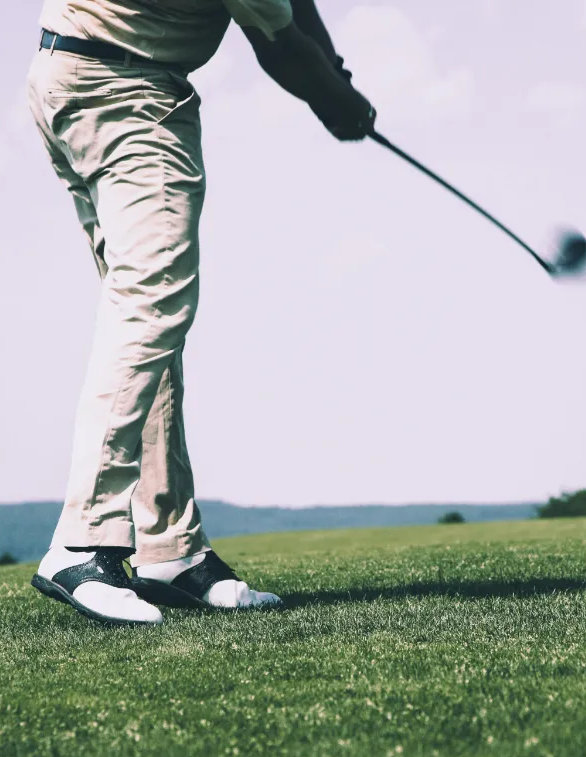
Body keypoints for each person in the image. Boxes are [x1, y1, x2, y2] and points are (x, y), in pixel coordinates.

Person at [25, 0, 376, 625]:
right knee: (151, 303)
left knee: (147, 322)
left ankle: (170, 551)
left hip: (69, 77)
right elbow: (281, 42)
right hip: (128, 93)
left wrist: (337, 77)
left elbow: (294, 9)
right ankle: (83, 540)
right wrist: (338, 100)